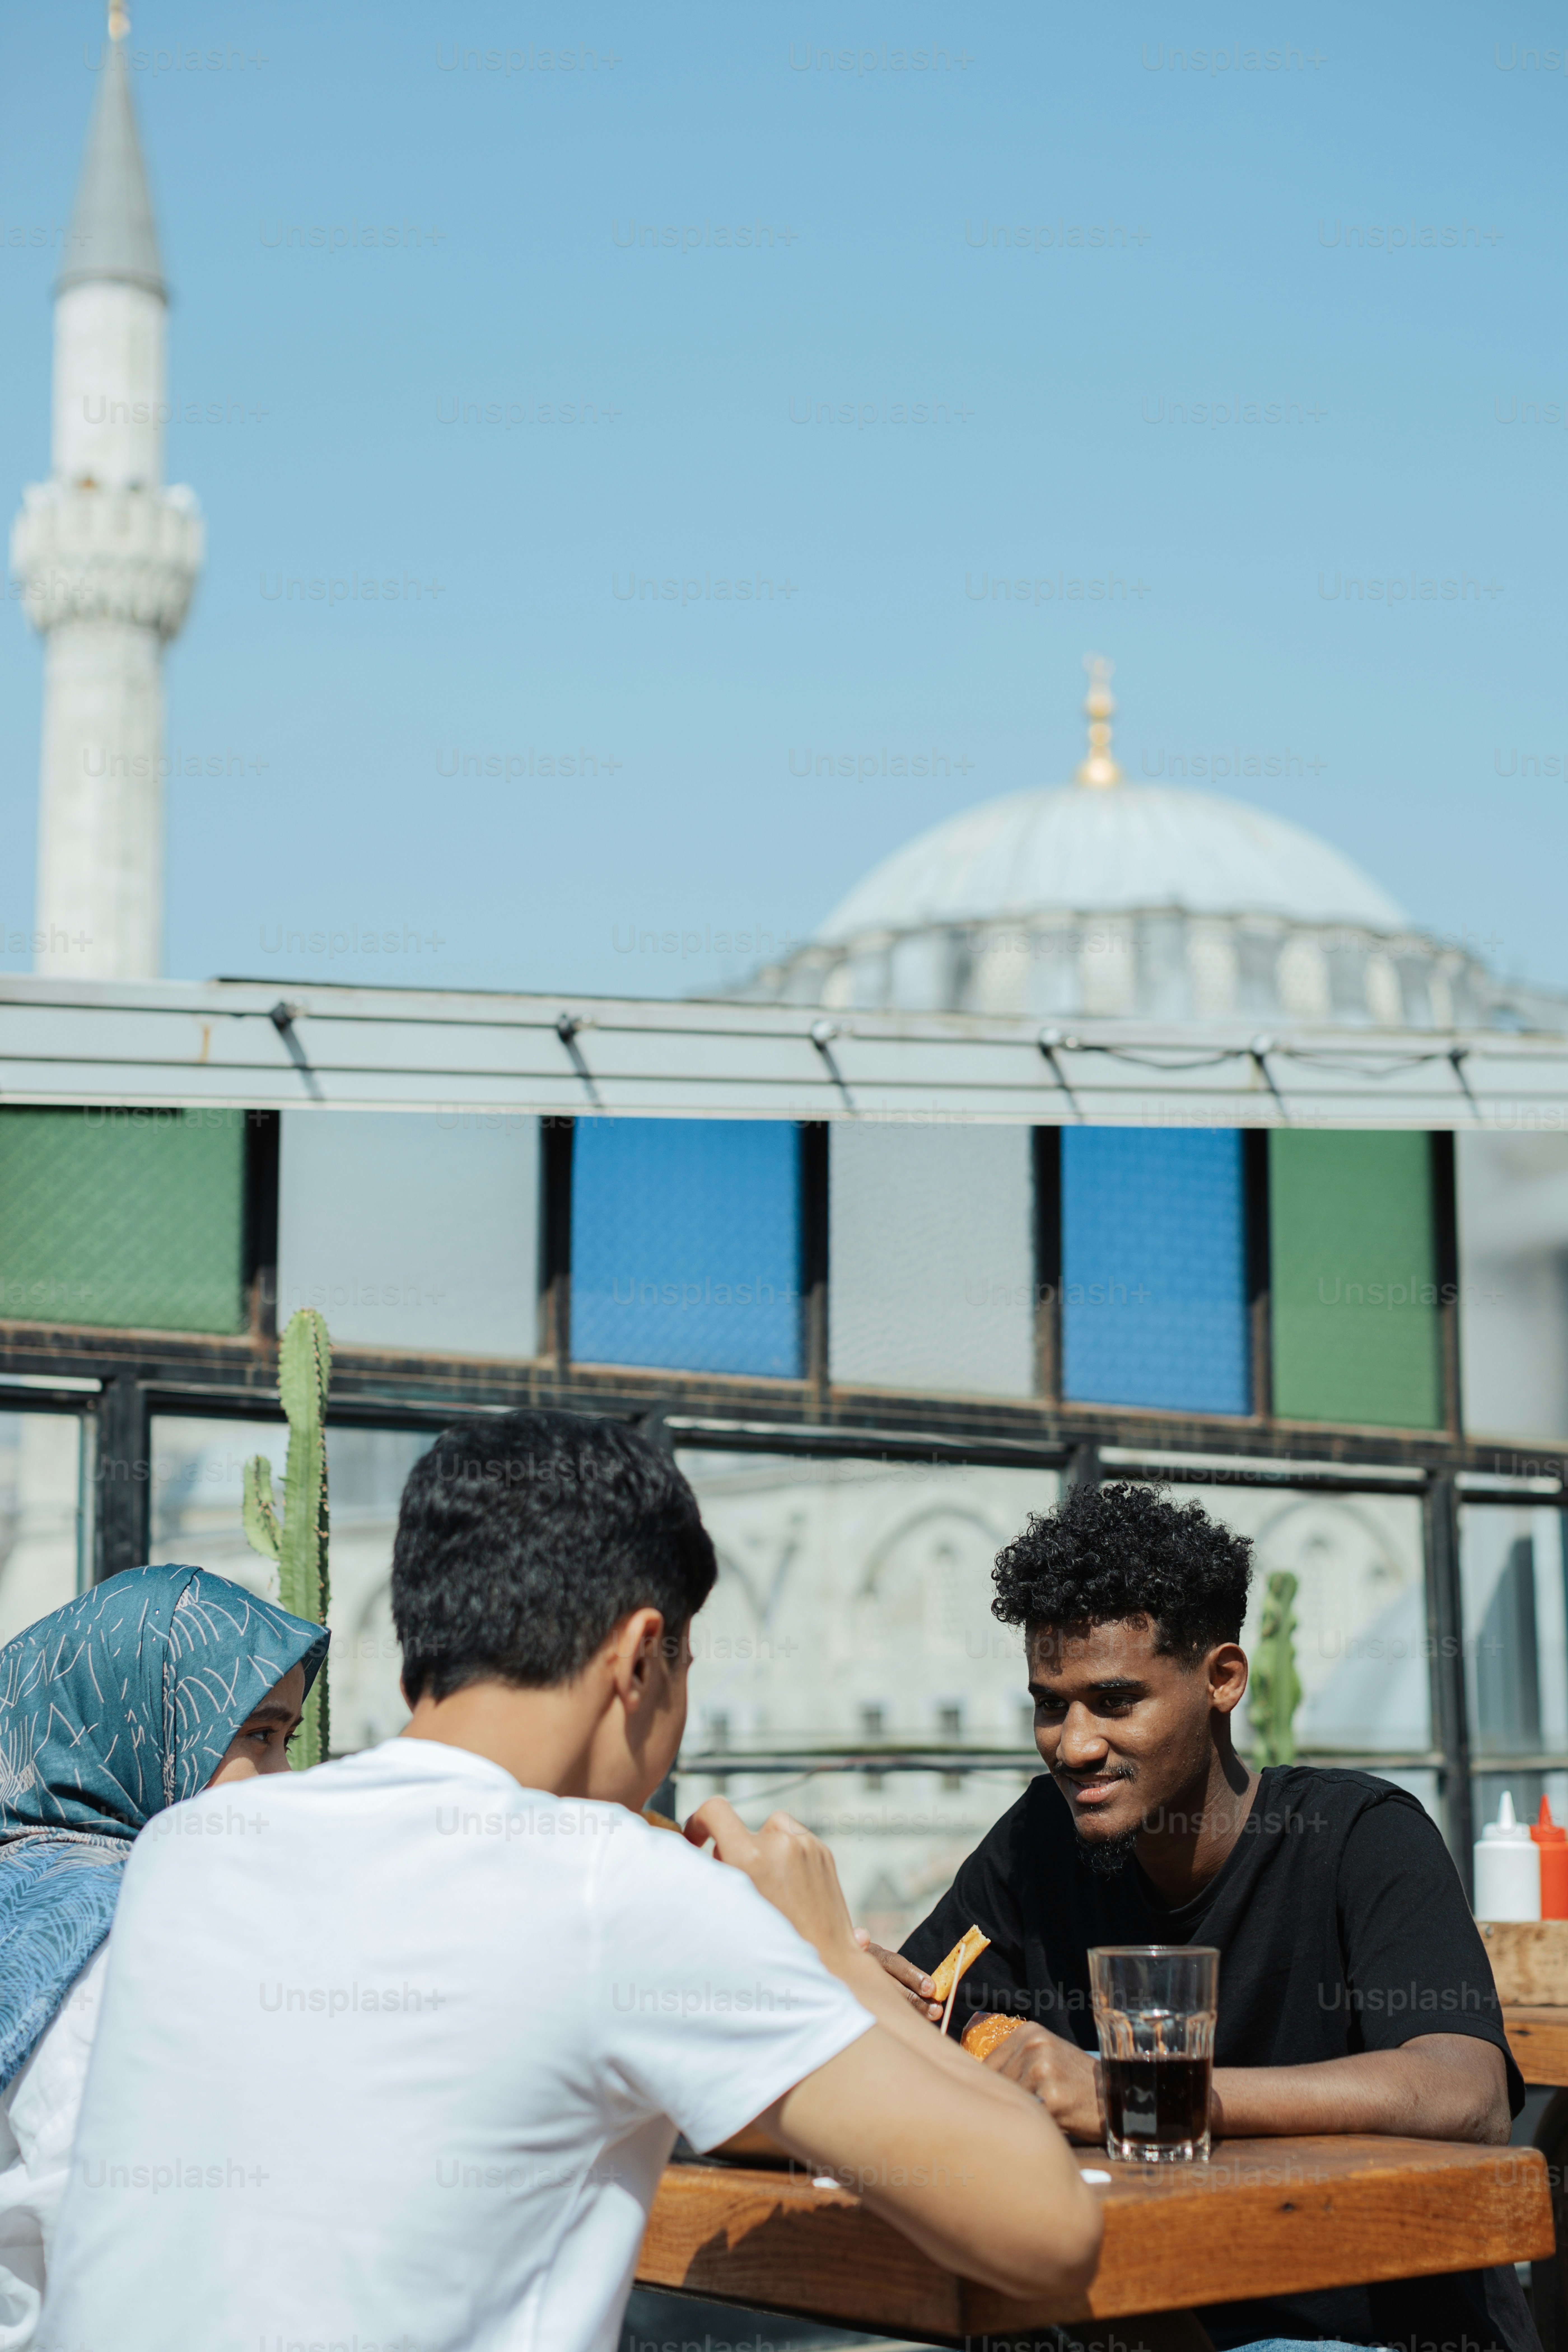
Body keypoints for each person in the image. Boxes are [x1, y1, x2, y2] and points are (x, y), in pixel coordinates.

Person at [42, 1410, 1101, 2352]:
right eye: (688, 1668)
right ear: (643, 1658)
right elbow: (1052, 2236)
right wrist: (825, 1957)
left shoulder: (192, 1848)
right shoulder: (620, 1888)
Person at [865, 1479, 1535, 2352]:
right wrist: (854, 1994)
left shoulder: (1360, 1836)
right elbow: (922, 2003)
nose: (1073, 1745)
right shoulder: (1038, 1842)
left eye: (1115, 1702)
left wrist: (1138, 2098)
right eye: (1048, 1704)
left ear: (1222, 1681)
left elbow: (1468, 2093)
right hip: (1130, 2308)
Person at [0, 1562, 327, 2352]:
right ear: (141, 1726)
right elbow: (126, 2263)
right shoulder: (115, 1941)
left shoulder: (32, 1893)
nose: (288, 1779)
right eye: (257, 1736)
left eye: (285, 1738)